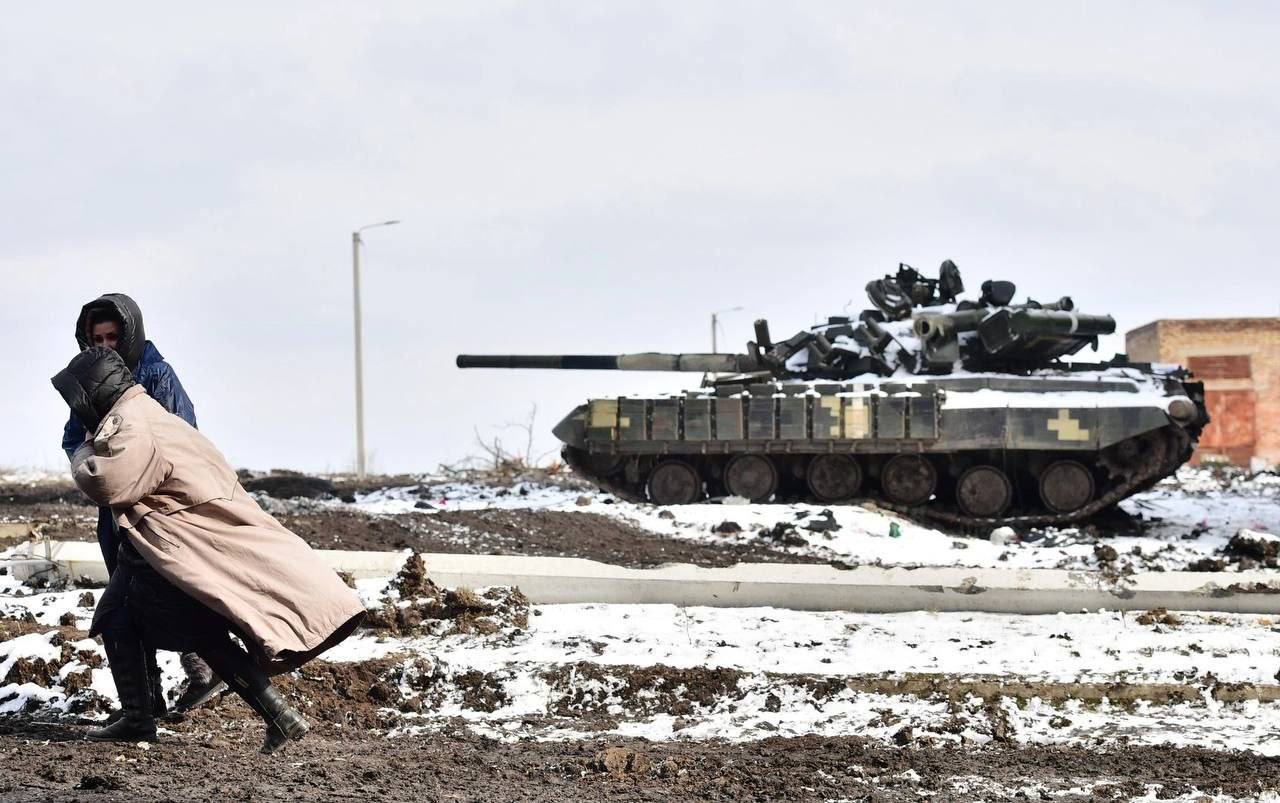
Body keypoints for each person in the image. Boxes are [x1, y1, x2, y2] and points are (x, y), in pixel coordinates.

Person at [52, 347, 366, 754]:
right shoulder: (142, 413)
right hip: (168, 543)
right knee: (124, 620)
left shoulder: (132, 422)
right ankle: (143, 717)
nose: (76, 410)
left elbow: (107, 482)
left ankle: (274, 717)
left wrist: (81, 451)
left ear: (92, 390)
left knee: (192, 631)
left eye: (77, 399)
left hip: (175, 544)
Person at [61, 294, 223, 715]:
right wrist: (95, 469)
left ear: (129, 334)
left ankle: (202, 664)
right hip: (114, 510)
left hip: (159, 509)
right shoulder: (88, 381)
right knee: (124, 601)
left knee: (173, 588)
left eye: (113, 337)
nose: (105, 346)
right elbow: (73, 438)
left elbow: (180, 436)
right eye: (96, 338)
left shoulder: (155, 374)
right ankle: (145, 703)